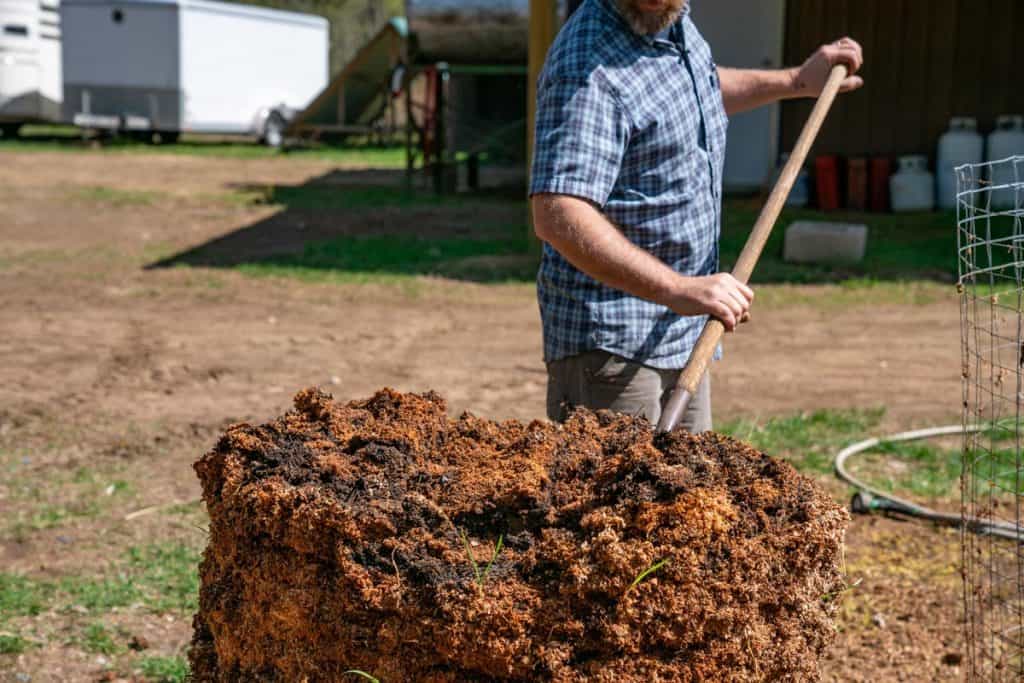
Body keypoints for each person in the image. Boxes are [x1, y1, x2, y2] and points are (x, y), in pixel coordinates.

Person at [530, 0, 863, 431]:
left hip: (683, 333)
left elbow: (690, 88)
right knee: (623, 496)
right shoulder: (587, 67)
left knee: (692, 493)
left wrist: (797, 81)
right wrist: (677, 288)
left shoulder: (671, 21)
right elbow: (557, 214)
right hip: (614, 348)